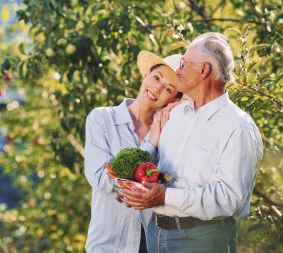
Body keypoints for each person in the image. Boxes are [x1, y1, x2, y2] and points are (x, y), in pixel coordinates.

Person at [121, 32, 264, 253]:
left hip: (203, 238)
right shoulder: (175, 115)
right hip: (156, 233)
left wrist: (164, 195)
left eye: (185, 64)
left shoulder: (237, 127)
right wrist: (140, 190)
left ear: (204, 69)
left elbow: (229, 198)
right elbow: (156, 171)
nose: (178, 71)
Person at [84, 50, 183, 253]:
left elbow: (170, 184)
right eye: (156, 77)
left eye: (168, 89)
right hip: (107, 246)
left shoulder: (171, 132)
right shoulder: (102, 119)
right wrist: (151, 144)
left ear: (172, 99)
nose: (156, 88)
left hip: (151, 245)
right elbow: (101, 179)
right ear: (146, 73)